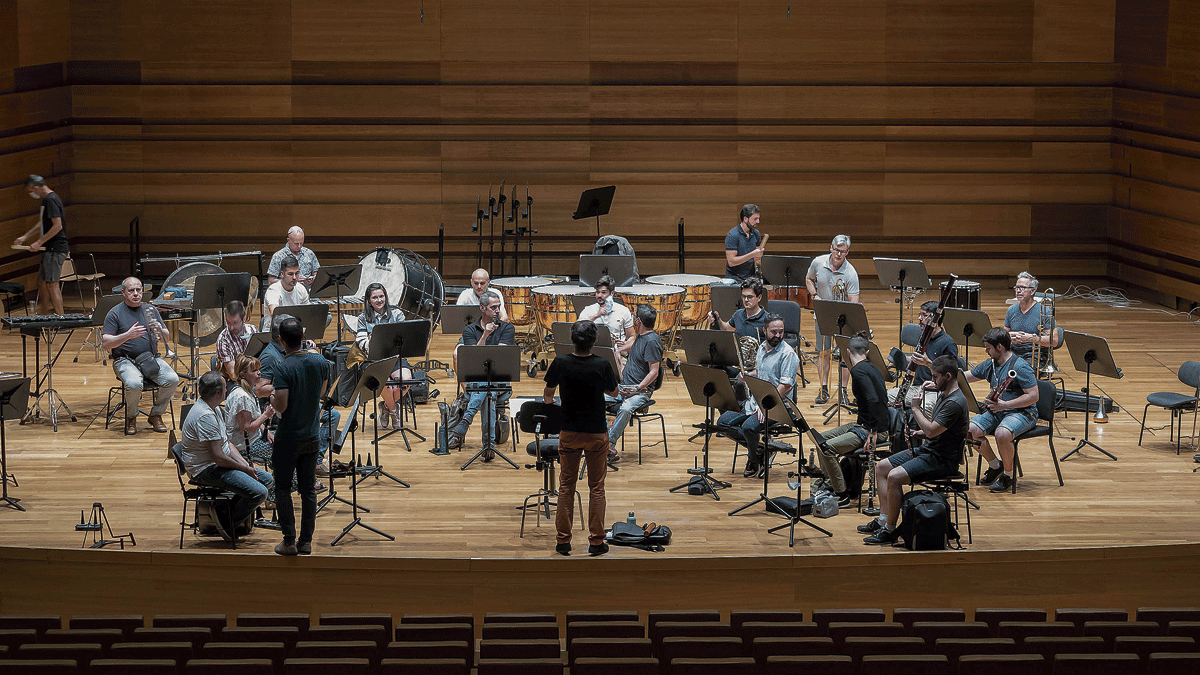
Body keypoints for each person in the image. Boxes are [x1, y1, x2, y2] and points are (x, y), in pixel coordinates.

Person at [861, 355, 969, 545]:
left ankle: (890, 530)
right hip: (930, 451)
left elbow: (932, 430)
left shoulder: (954, 403)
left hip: (942, 460)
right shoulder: (945, 394)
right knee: (882, 467)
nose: (932, 380)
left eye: (935, 377)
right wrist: (919, 433)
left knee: (894, 477)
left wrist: (915, 408)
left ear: (949, 376)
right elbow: (936, 430)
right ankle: (883, 519)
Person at [543, 320, 619, 557]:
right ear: (594, 342)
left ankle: (563, 541)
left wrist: (555, 400)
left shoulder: (561, 362)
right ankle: (596, 542)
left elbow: (547, 396)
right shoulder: (602, 364)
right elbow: (614, 392)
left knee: (566, 487)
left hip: (569, 432)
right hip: (596, 432)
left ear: (572, 340)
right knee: (596, 488)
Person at [178, 371, 274, 542]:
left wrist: (244, 463)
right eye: (224, 387)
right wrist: (244, 468)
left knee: (266, 479)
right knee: (260, 492)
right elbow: (218, 457)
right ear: (217, 393)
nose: (227, 389)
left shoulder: (213, 408)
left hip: (215, 462)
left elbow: (227, 443)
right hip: (205, 469)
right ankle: (225, 523)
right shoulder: (205, 416)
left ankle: (224, 513)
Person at [269, 317, 329, 556]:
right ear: (303, 337)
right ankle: (306, 542)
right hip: (312, 435)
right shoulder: (320, 360)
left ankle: (289, 541)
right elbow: (321, 393)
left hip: (287, 438)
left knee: (283, 489)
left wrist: (272, 397)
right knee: (308, 490)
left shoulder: (283, 367)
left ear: (281, 341)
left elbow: (281, 406)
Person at [717, 314, 798, 478]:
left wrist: (764, 405)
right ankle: (761, 449)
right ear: (764, 330)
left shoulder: (788, 354)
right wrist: (749, 375)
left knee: (748, 427)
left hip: (777, 406)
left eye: (781, 332)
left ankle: (753, 459)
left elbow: (786, 385)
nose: (778, 335)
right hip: (756, 401)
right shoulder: (762, 347)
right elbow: (761, 372)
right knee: (723, 422)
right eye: (773, 331)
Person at [816, 333, 890, 507]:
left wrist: (873, 433)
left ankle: (841, 494)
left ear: (847, 352)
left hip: (871, 429)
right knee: (819, 439)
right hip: (865, 424)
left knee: (827, 448)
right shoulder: (874, 367)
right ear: (867, 351)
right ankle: (829, 483)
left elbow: (873, 399)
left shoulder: (857, 371)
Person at [101, 277, 180, 435]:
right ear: (123, 292)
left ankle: (156, 414)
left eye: (139, 290)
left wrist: (159, 328)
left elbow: (167, 337)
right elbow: (106, 343)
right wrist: (127, 336)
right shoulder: (115, 313)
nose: (136, 294)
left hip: (150, 358)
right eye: (131, 290)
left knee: (172, 379)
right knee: (134, 383)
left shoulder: (150, 309)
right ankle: (131, 417)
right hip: (125, 360)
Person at [965, 327, 1039, 493]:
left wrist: (1005, 405)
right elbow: (965, 377)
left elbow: (1034, 396)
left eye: (989, 348)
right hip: (998, 410)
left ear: (1000, 347)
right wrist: (941, 379)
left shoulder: (1020, 366)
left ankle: (1008, 475)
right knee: (969, 430)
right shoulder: (991, 364)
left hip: (1023, 413)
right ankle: (995, 465)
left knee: (1002, 434)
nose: (986, 351)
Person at [447, 290, 515, 449]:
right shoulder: (470, 330)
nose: (497, 310)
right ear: (482, 308)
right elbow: (474, 359)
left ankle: (467, 420)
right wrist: (485, 335)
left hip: (500, 379)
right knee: (487, 391)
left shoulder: (507, 329)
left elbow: (500, 358)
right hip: (477, 379)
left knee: (486, 386)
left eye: (499, 307)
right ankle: (488, 448)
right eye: (493, 307)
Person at [806, 234, 860, 404]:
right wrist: (814, 295)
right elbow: (808, 279)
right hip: (822, 315)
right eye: (836, 250)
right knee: (823, 352)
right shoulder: (818, 263)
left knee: (845, 354)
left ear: (847, 252)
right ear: (831, 248)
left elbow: (854, 302)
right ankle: (823, 389)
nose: (839, 254)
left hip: (842, 319)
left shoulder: (851, 273)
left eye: (843, 252)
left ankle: (843, 390)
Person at [606, 304, 664, 463]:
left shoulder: (652, 341)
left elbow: (654, 372)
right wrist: (621, 348)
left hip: (640, 392)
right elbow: (631, 348)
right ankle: (603, 440)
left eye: (635, 316)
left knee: (625, 408)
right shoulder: (641, 336)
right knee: (594, 398)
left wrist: (637, 388)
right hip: (623, 387)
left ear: (639, 320)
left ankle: (608, 444)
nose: (633, 317)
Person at [354, 282, 413, 430]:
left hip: (394, 358)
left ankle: (386, 406)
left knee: (406, 381)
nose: (379, 300)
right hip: (372, 360)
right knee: (385, 385)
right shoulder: (363, 318)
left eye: (382, 296)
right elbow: (361, 342)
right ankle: (393, 412)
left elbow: (404, 338)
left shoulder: (397, 314)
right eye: (375, 297)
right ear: (369, 300)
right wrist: (377, 346)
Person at [889, 300, 960, 415]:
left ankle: (926, 432)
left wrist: (927, 363)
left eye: (924, 315)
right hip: (917, 387)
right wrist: (903, 358)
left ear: (935, 319)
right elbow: (919, 361)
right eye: (920, 314)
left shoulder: (948, 343)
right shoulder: (923, 337)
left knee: (925, 407)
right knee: (885, 397)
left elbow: (952, 375)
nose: (920, 318)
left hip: (936, 390)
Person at [13, 175, 69, 315]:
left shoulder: (51, 199)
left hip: (55, 249)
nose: (32, 194)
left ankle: (62, 320)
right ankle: (44, 314)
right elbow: (43, 223)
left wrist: (39, 242)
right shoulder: (47, 200)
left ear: (35, 187)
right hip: (49, 249)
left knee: (52, 284)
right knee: (42, 282)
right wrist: (26, 236)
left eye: (31, 191)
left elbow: (57, 226)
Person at [577, 274, 636, 370]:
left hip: (617, 355)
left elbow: (632, 337)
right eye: (597, 292)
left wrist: (624, 346)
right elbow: (577, 328)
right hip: (591, 355)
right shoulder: (588, 310)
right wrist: (597, 315)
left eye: (603, 292)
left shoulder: (623, 311)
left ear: (612, 293)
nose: (599, 295)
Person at [225, 354, 275, 465]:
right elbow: (247, 429)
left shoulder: (248, 389)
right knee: (286, 451)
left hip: (254, 438)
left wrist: (266, 431)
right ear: (243, 375)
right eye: (254, 370)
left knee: (285, 438)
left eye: (258, 369)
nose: (259, 372)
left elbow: (253, 420)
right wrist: (266, 415)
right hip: (243, 446)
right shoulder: (242, 397)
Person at [1004, 271, 1059, 368]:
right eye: (1017, 287)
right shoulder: (1011, 310)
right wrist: (1009, 336)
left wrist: (1031, 338)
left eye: (1023, 288)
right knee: (994, 365)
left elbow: (1054, 341)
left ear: (1033, 291)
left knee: (1020, 370)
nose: (1018, 291)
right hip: (1014, 353)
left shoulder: (1045, 312)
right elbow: (1003, 335)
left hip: (1035, 356)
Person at [263, 255, 309, 329]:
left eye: (297, 273)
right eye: (290, 274)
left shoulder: (301, 289)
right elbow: (275, 315)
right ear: (282, 274)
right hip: (275, 335)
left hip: (295, 333)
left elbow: (307, 314)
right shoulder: (273, 290)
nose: (294, 277)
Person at [215, 300, 255, 383]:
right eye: (228, 323)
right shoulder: (223, 340)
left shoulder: (252, 330)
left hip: (253, 375)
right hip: (235, 382)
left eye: (235, 323)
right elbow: (233, 375)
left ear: (244, 319)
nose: (231, 327)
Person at [724, 204, 764, 281]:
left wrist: (758, 259)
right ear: (745, 219)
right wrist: (752, 254)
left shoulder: (756, 233)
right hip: (734, 279)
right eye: (755, 219)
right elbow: (731, 262)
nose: (758, 222)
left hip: (751, 278)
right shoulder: (733, 235)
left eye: (758, 219)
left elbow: (757, 259)